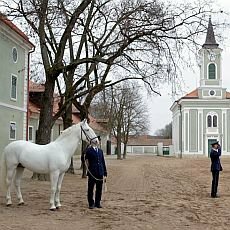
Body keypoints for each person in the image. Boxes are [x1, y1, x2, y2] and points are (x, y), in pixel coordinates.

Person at [85, 136, 107, 209]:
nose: (97, 142)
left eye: (98, 141)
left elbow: (102, 162)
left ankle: (97, 203)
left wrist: (105, 172)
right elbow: (84, 158)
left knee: (99, 189)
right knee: (90, 189)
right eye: (96, 141)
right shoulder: (88, 150)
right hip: (92, 172)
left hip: (100, 172)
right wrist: (87, 146)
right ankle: (91, 203)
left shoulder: (100, 151)